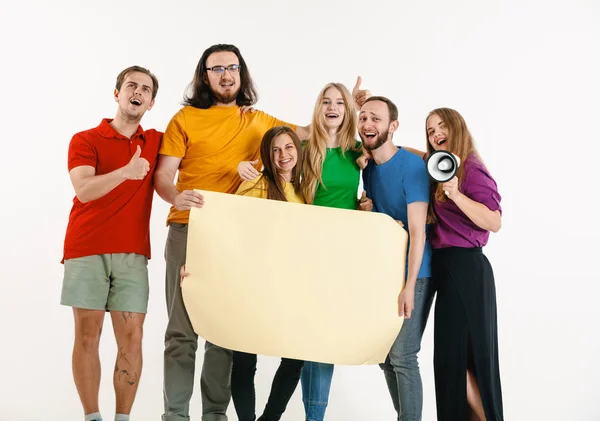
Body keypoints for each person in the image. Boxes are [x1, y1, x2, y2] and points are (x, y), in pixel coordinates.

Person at [154, 44, 365, 421]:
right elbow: (163, 176)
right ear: (205, 76)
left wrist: (353, 112)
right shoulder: (184, 119)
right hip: (189, 228)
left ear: (241, 74)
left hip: (234, 238)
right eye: (216, 69)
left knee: (222, 333)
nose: (225, 75)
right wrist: (175, 195)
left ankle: (215, 415)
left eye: (232, 67)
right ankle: (175, 416)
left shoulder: (257, 119)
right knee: (182, 333)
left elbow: (308, 132)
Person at [238, 82, 369, 421]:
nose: (333, 107)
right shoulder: (303, 147)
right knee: (294, 341)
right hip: (303, 253)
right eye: (326, 101)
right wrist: (243, 165)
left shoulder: (357, 150)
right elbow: (273, 165)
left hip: (343, 249)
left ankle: (314, 416)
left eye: (339, 102)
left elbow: (390, 151)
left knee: (319, 339)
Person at [60, 65, 161, 421]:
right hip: (86, 248)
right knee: (88, 335)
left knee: (132, 338)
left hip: (133, 254)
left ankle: (123, 418)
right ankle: (92, 417)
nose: (138, 91)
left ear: (150, 103)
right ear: (116, 93)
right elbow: (84, 190)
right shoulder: (85, 139)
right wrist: (126, 173)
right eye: (131, 85)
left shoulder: (156, 141)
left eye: (146, 89)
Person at [422, 108, 504, 421]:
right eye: (430, 130)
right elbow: (407, 153)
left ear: (457, 127)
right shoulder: (439, 166)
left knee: (459, 364)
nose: (435, 133)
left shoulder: (470, 168)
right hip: (449, 273)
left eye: (441, 125)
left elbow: (494, 222)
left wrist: (456, 195)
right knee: (453, 363)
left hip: (466, 271)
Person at [357, 96, 434, 421]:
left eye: (376, 118)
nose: (367, 124)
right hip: (383, 272)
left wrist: (408, 286)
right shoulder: (368, 167)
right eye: (363, 118)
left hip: (415, 273)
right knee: (385, 356)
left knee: (403, 355)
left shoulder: (412, 168)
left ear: (394, 126)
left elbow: (418, 233)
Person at [230, 126, 306, 421]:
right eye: (275, 150)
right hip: (253, 284)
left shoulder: (303, 192)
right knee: (245, 359)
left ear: (298, 151)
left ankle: (269, 418)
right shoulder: (256, 185)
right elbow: (229, 224)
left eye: (288, 147)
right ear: (267, 156)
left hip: (289, 286)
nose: (283, 155)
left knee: (295, 355)